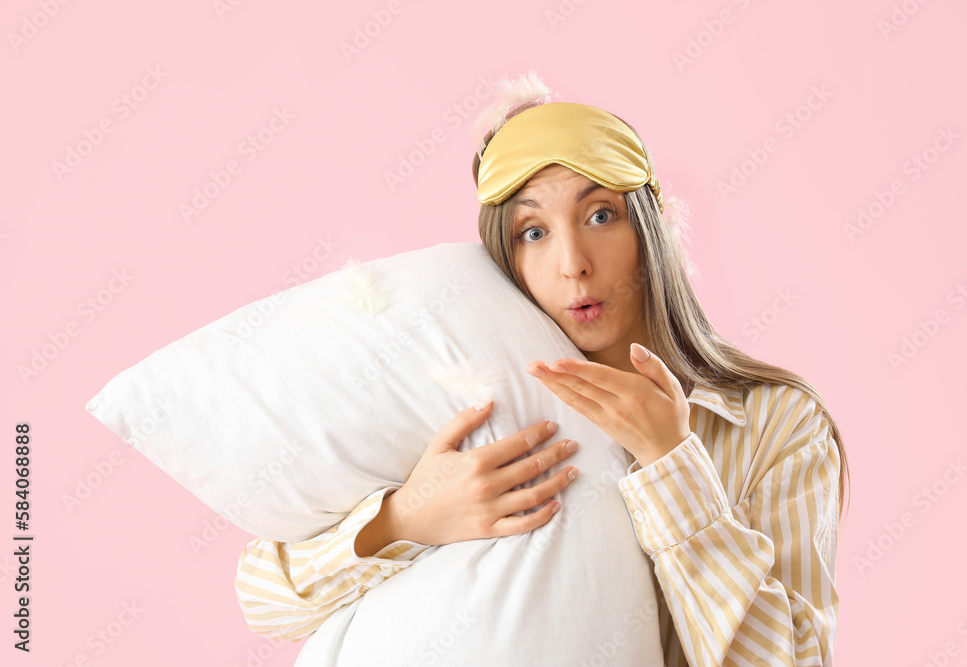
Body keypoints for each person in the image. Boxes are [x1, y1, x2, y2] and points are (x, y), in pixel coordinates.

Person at [235, 72, 850, 666]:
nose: (572, 263)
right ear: (507, 258)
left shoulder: (774, 422)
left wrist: (673, 465)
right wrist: (409, 516)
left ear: (651, 228)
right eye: (533, 231)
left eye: (601, 215)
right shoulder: (470, 399)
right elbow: (266, 601)